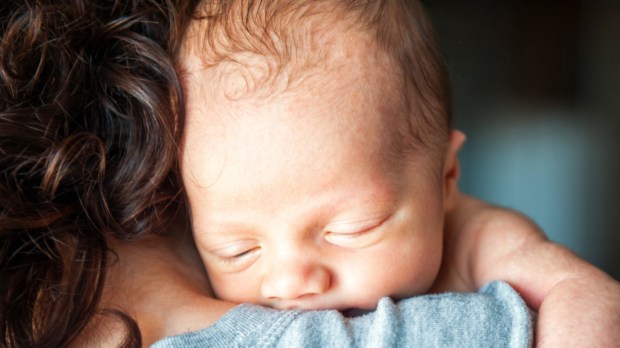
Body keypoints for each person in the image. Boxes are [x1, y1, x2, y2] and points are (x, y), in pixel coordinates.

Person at [0, 1, 615, 347]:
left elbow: (592, 301)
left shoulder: (477, 237)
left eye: (349, 228)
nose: (292, 280)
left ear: (446, 178)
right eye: (238, 249)